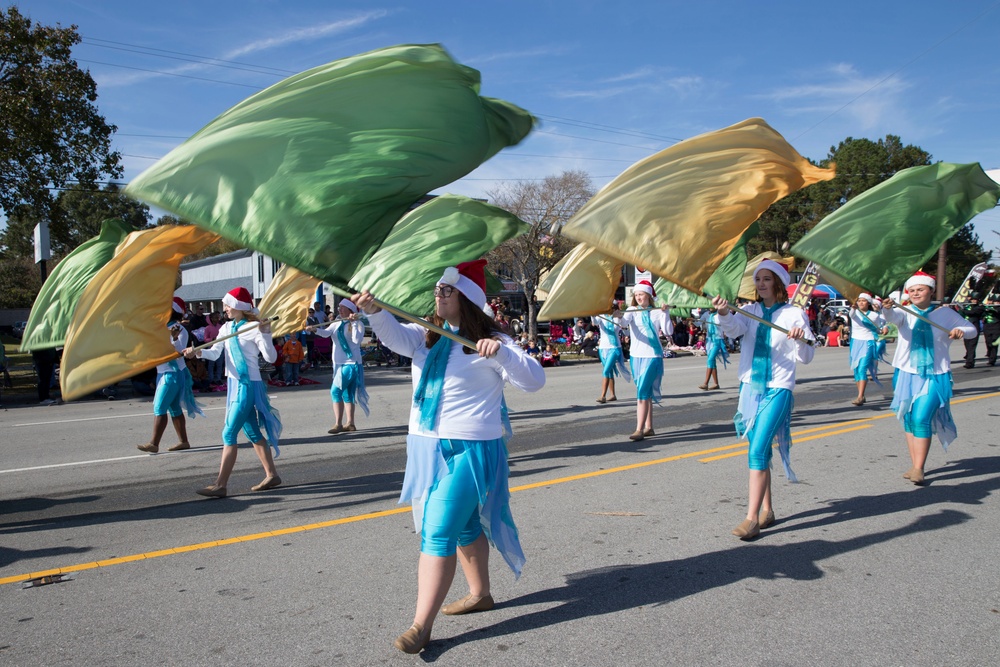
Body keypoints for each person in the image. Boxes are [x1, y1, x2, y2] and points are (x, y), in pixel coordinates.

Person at [355, 259, 545, 655]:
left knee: (437, 530)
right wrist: (374, 311)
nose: (437, 296)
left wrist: (502, 356)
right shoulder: (428, 336)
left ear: (467, 299)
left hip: (471, 448)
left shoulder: (492, 341)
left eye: (445, 291)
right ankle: (481, 594)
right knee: (461, 527)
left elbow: (534, 381)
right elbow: (393, 336)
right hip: (425, 445)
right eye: (438, 290)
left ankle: (421, 626)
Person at [711, 260, 815, 540]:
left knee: (757, 450)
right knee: (762, 450)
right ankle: (767, 510)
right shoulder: (750, 311)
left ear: (778, 283)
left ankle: (751, 518)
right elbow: (733, 330)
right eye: (758, 279)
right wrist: (723, 312)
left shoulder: (793, 313)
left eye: (767, 279)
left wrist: (800, 338)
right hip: (750, 388)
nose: (761, 284)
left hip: (778, 388)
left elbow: (806, 356)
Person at [184, 286, 282, 498]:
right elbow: (215, 353)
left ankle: (220, 485)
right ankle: (272, 474)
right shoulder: (227, 329)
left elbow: (271, 358)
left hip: (249, 384)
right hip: (234, 384)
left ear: (238, 306)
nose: (224, 308)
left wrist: (266, 334)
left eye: (228, 305)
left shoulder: (255, 327)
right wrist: (198, 352)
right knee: (252, 432)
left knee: (229, 433)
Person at [881, 272, 976, 485]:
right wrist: (887, 308)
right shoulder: (903, 311)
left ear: (931, 291)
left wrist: (960, 330)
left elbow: (972, 330)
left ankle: (919, 468)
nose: (916, 293)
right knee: (907, 418)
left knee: (921, 418)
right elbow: (891, 318)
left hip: (935, 374)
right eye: (912, 290)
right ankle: (914, 464)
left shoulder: (945, 314)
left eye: (920, 289)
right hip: (906, 373)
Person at [138, 297, 203, 453]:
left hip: (172, 374)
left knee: (160, 407)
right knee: (174, 409)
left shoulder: (179, 329)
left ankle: (154, 443)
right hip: (164, 373)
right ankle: (184, 441)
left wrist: (169, 339)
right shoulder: (163, 328)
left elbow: (177, 353)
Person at [617, 280, 672, 441]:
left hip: (652, 356)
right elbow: (624, 324)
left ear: (648, 294)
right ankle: (649, 427)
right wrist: (619, 317)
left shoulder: (657, 311)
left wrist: (666, 313)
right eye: (636, 295)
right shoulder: (632, 310)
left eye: (641, 294)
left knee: (641, 392)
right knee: (645, 391)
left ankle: (639, 429)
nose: (639, 297)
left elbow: (668, 331)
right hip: (636, 356)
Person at [312, 298, 369, 434]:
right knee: (347, 393)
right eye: (339, 307)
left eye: (343, 307)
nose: (340, 309)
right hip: (338, 363)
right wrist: (315, 330)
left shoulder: (358, 323)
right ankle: (350, 423)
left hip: (351, 363)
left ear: (350, 310)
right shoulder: (337, 323)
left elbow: (356, 340)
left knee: (335, 391)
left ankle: (338, 424)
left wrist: (354, 323)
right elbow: (326, 333)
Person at [848, 293, 888, 406]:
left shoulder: (874, 315)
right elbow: (851, 315)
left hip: (868, 342)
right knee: (856, 369)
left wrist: (885, 327)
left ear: (868, 303)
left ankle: (860, 396)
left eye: (863, 301)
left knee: (862, 368)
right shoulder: (855, 312)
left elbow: (882, 322)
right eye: (859, 300)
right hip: (855, 342)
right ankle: (861, 395)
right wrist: (852, 308)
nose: (861, 302)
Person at [592, 305, 630, 403]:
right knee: (609, 371)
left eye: (612, 307)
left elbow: (626, 332)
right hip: (603, 348)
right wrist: (592, 314)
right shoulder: (601, 316)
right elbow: (595, 322)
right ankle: (612, 395)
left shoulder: (617, 317)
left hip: (614, 348)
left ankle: (602, 396)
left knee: (606, 370)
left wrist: (620, 317)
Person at [698, 309, 728, 391]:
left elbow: (726, 325)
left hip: (717, 340)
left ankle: (705, 383)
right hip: (709, 340)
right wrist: (691, 320)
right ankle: (716, 384)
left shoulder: (720, 314)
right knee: (712, 361)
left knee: (710, 360)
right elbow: (698, 323)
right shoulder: (706, 314)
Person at [959, 294, 985, 368]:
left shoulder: (980, 307)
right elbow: (961, 314)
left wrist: (963, 309)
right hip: (966, 328)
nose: (973, 301)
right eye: (972, 299)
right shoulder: (968, 306)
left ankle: (970, 362)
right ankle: (969, 357)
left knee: (972, 345)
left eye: (975, 299)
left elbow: (972, 313)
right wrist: (960, 309)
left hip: (974, 328)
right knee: (967, 344)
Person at [202, 312, 225, 385]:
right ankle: (211, 378)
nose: (217, 319)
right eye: (215, 317)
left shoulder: (221, 326)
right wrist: (212, 339)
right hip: (211, 347)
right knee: (211, 364)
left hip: (220, 346)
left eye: (218, 317)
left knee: (219, 364)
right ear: (211, 318)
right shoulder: (207, 328)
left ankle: (218, 378)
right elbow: (205, 339)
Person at [983, 294, 1000, 366]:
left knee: (994, 343)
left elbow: (997, 312)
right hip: (987, 328)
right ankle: (990, 354)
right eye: (995, 301)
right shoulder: (987, 308)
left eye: (998, 301)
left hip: (996, 328)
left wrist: (992, 309)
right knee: (988, 342)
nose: (996, 303)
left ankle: (992, 360)